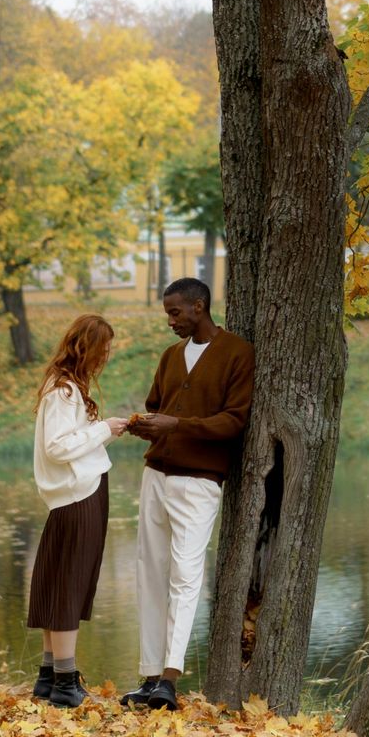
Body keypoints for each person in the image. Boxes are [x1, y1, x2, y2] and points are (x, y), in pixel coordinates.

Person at [124, 277, 255, 711]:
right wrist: (147, 425)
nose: (170, 321)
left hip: (199, 481)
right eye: (168, 313)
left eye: (175, 312)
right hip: (156, 475)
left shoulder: (237, 353)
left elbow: (234, 421)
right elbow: (157, 405)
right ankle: (148, 676)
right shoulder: (170, 356)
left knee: (185, 575)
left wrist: (176, 425)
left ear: (199, 307)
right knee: (150, 571)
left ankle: (170, 678)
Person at [27, 314, 129, 708]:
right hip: (78, 497)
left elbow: (74, 443)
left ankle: (50, 676)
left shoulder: (66, 387)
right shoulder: (64, 391)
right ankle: (66, 683)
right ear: (86, 346)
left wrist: (107, 430)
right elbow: (57, 447)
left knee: (59, 582)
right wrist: (104, 429)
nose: (106, 355)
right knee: (68, 585)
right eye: (103, 347)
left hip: (78, 494)